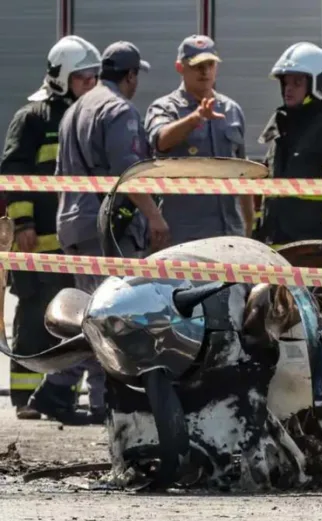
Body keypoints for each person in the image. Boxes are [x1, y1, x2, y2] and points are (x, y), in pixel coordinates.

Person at [54, 41, 170, 418]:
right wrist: (154, 216)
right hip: (106, 230)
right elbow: (127, 171)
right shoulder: (119, 110)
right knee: (113, 318)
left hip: (73, 224)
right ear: (130, 75)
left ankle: (64, 391)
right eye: (137, 76)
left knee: (90, 315)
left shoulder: (74, 109)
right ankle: (97, 398)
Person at [0, 35, 102, 424]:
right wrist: (23, 222)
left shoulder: (87, 116)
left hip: (71, 244)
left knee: (71, 319)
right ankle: (25, 396)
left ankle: (61, 395)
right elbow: (13, 172)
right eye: (82, 77)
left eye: (93, 77)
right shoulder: (33, 117)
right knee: (32, 317)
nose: (89, 84)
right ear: (61, 78)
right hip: (36, 242)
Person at [254, 42, 322, 248]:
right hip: (275, 247)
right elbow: (267, 191)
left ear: (319, 84)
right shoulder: (282, 128)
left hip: (314, 249)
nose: (288, 89)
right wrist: (258, 235)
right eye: (285, 82)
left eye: (297, 82)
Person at [144, 34, 254, 245]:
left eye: (210, 65)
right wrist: (195, 118)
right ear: (180, 67)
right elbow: (160, 141)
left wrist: (248, 224)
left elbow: (244, 171)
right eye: (197, 66)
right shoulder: (165, 108)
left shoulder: (231, 110)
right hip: (185, 236)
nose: (205, 72)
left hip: (230, 232)